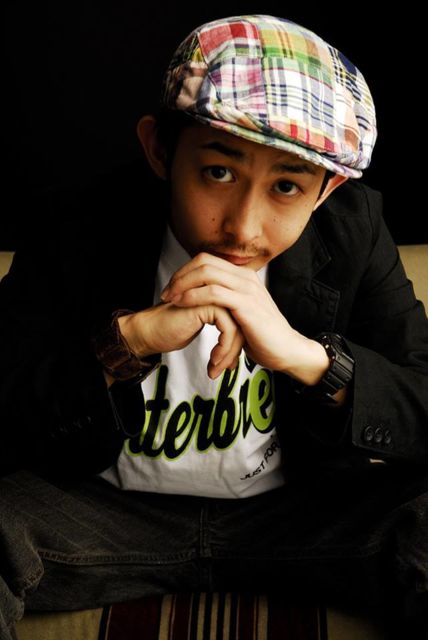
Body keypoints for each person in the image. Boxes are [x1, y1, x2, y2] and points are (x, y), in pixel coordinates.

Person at [1, 13, 427, 639]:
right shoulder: (81, 221)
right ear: (160, 150)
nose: (243, 228)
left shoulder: (353, 229)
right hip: (105, 513)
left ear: (327, 189)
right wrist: (127, 344)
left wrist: (310, 359)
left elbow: (419, 400)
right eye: (218, 173)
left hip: (296, 517)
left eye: (287, 186)